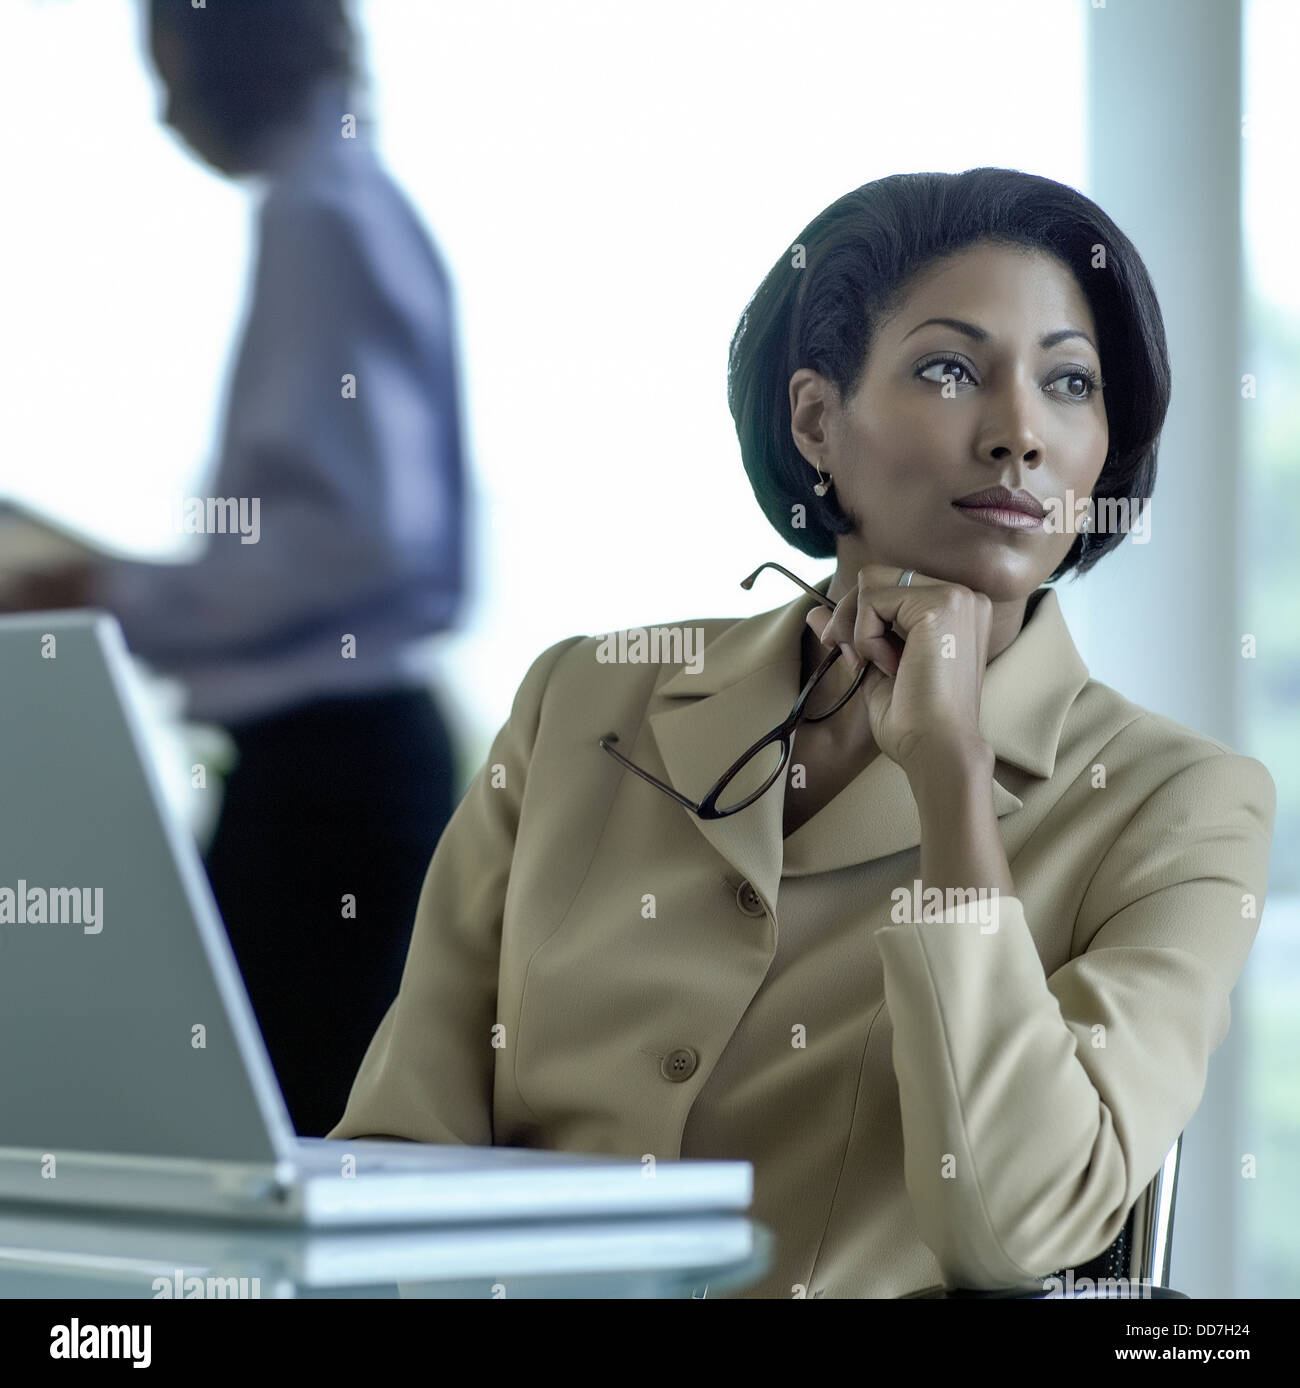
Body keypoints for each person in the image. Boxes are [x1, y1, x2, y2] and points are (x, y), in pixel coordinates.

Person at [326, 168, 1275, 1298]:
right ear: (816, 417)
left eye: (1070, 382)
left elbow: (1018, 1232)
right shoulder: (583, 699)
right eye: (950, 369)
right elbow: (400, 1147)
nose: (1020, 432)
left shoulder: (1182, 806)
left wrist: (951, 784)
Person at [2, 0, 469, 1138]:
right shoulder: (343, 201)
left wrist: (104, 592)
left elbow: (358, 540)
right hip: (328, 766)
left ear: (234, 53)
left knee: (254, 1140)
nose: (165, 109)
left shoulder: (318, 214)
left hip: (329, 776)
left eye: (169, 73)